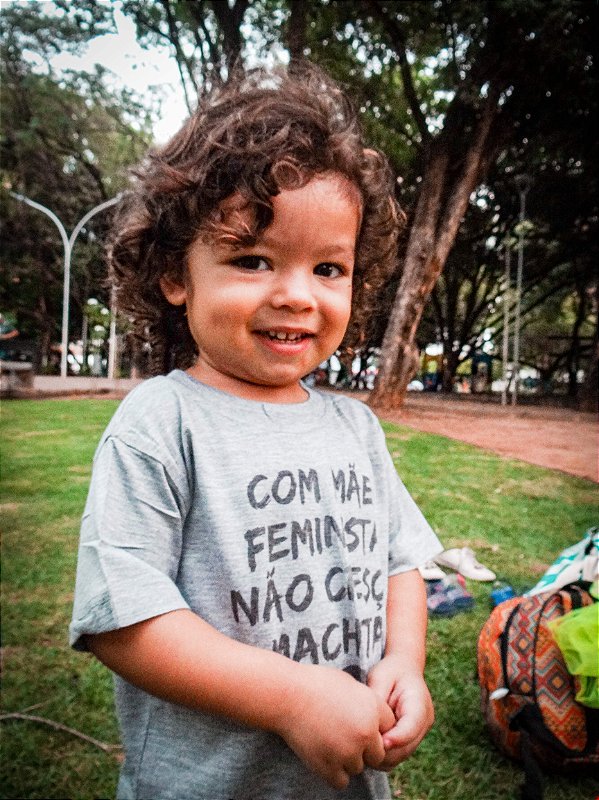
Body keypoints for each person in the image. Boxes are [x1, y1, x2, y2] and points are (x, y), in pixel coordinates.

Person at [69, 63, 442, 800]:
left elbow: (402, 564)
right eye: (252, 259)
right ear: (177, 274)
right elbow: (122, 618)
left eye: (327, 267)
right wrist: (291, 696)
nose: (295, 295)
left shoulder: (354, 428)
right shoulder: (161, 422)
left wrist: (403, 661)